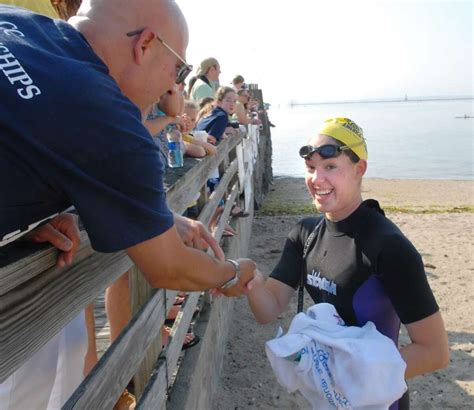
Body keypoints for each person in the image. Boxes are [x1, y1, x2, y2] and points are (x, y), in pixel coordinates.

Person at [0, 1, 256, 408]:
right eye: (177, 71)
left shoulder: (16, 21)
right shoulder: (106, 115)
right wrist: (230, 274)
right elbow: (167, 265)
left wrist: (27, 217)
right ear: (146, 44)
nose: (172, 87)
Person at [246, 117, 449, 409]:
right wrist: (250, 279)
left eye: (330, 167)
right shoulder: (304, 233)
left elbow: (435, 352)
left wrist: (350, 379)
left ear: (359, 169)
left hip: (377, 400)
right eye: (311, 168)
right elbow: (269, 309)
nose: (317, 179)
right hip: (327, 395)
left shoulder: (389, 247)